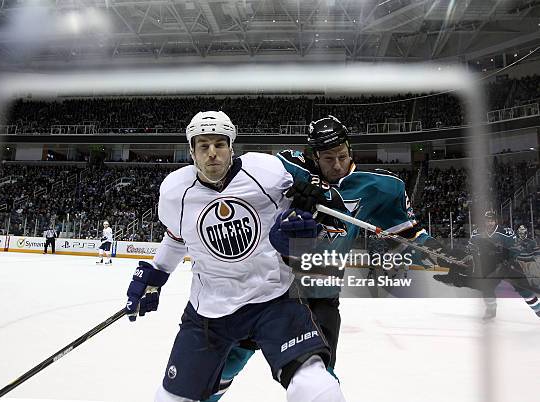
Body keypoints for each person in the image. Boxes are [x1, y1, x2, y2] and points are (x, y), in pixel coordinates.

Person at [206, 115, 443, 401]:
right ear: (314, 156)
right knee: (225, 365)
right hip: (268, 291)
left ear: (350, 150)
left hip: (321, 296)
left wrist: (448, 255)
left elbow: (411, 233)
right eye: (329, 158)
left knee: (319, 375)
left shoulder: (378, 187)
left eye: (342, 156)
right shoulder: (290, 170)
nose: (338, 164)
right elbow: (247, 175)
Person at [124, 111, 345, 402]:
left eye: (220, 144)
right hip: (209, 311)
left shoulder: (265, 172)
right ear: (191, 150)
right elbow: (177, 238)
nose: (212, 153)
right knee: (170, 399)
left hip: (273, 298)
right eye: (203, 145)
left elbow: (305, 215)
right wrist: (156, 274)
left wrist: (302, 223)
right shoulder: (175, 192)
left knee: (314, 385)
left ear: (232, 146)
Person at [436, 212, 540, 320]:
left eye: (492, 220)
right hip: (490, 266)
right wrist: (467, 257)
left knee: (523, 287)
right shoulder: (477, 233)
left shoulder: (506, 232)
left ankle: (538, 309)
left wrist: (508, 260)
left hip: (508, 265)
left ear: (496, 221)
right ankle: (491, 310)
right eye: (487, 220)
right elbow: (470, 249)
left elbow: (515, 249)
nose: (489, 223)